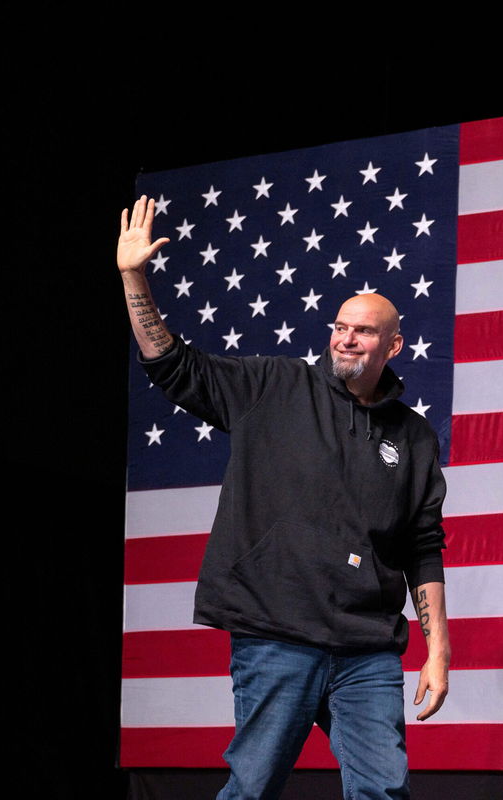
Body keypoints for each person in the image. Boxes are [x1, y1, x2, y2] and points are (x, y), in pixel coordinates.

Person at [117, 195, 450, 800]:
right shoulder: (274, 384)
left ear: (393, 347)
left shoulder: (414, 436)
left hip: (368, 646)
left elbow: (423, 547)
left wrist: (438, 653)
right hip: (276, 634)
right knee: (253, 788)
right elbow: (172, 365)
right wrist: (134, 275)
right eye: (340, 328)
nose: (347, 340)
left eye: (364, 332)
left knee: (384, 791)